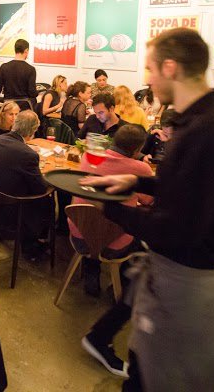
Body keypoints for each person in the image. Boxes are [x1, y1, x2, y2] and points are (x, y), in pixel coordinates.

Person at [80, 28, 214, 391]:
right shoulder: (208, 120)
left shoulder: (209, 130)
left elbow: (176, 230)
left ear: (170, 68)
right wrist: (136, 182)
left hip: (189, 288)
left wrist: (111, 208)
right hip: (186, 281)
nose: (148, 79)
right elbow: (190, 190)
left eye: (150, 69)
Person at [72, 124, 153, 302]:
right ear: (138, 149)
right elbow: (148, 201)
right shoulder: (141, 169)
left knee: (95, 223)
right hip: (114, 246)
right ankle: (122, 285)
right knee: (142, 236)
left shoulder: (88, 157)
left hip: (80, 236)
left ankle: (91, 270)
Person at [0, 110, 52, 259]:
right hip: (9, 215)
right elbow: (40, 188)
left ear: (15, 124)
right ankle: (33, 245)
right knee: (47, 200)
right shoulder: (28, 155)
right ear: (32, 131)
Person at [0, 39, 36, 110]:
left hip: (8, 105)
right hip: (24, 107)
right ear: (26, 50)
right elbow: (32, 92)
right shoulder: (31, 69)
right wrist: (37, 93)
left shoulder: (4, 67)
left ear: (15, 49)